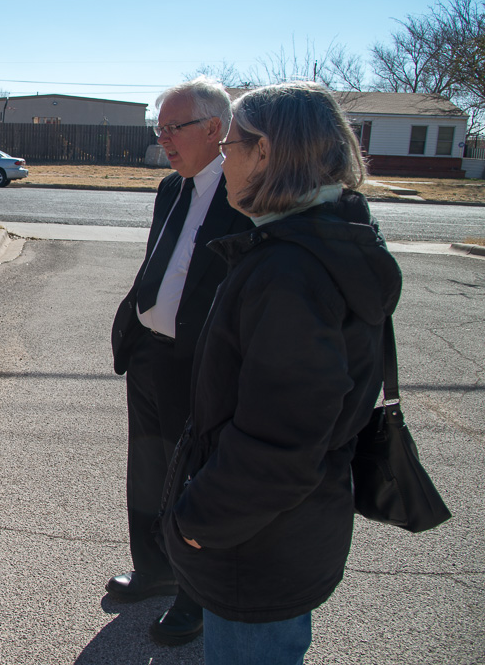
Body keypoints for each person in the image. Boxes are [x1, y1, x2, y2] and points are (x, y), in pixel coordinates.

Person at [159, 81, 402, 664]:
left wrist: (201, 517)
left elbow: (282, 438)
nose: (225, 157)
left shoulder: (290, 271)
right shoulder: (325, 240)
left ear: (266, 152)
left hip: (258, 547)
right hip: (285, 533)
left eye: (234, 144)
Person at [107, 76, 252, 645]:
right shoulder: (172, 186)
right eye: (159, 127)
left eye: (175, 127)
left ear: (215, 129)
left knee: (192, 479)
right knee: (146, 469)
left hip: (199, 363)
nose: (163, 138)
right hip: (149, 354)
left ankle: (195, 598)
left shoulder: (243, 193)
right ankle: (154, 570)